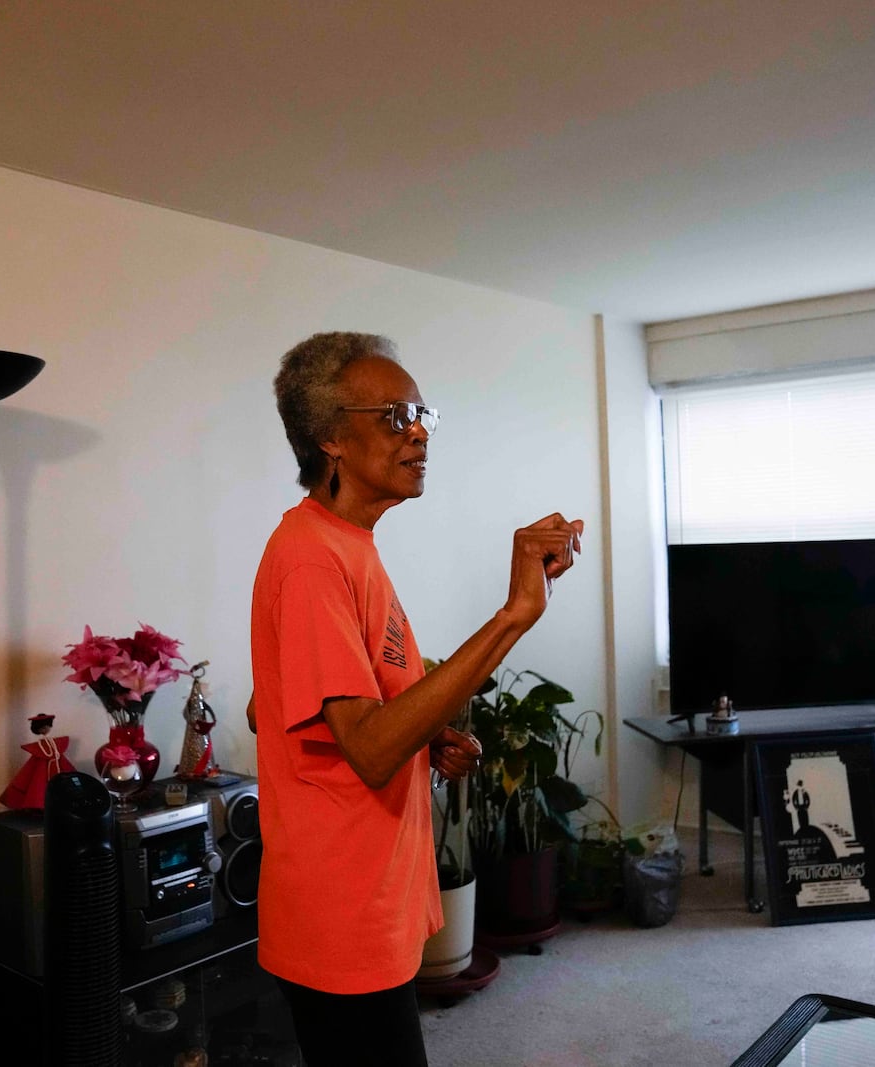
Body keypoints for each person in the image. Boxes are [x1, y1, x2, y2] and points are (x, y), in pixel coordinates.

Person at [249, 332, 584, 1066]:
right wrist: (513, 614)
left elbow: (267, 705)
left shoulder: (348, 545)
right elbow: (367, 747)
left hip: (374, 893)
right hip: (341, 912)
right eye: (395, 416)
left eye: (422, 413)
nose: (421, 431)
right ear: (331, 437)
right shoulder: (310, 559)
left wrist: (426, 737)